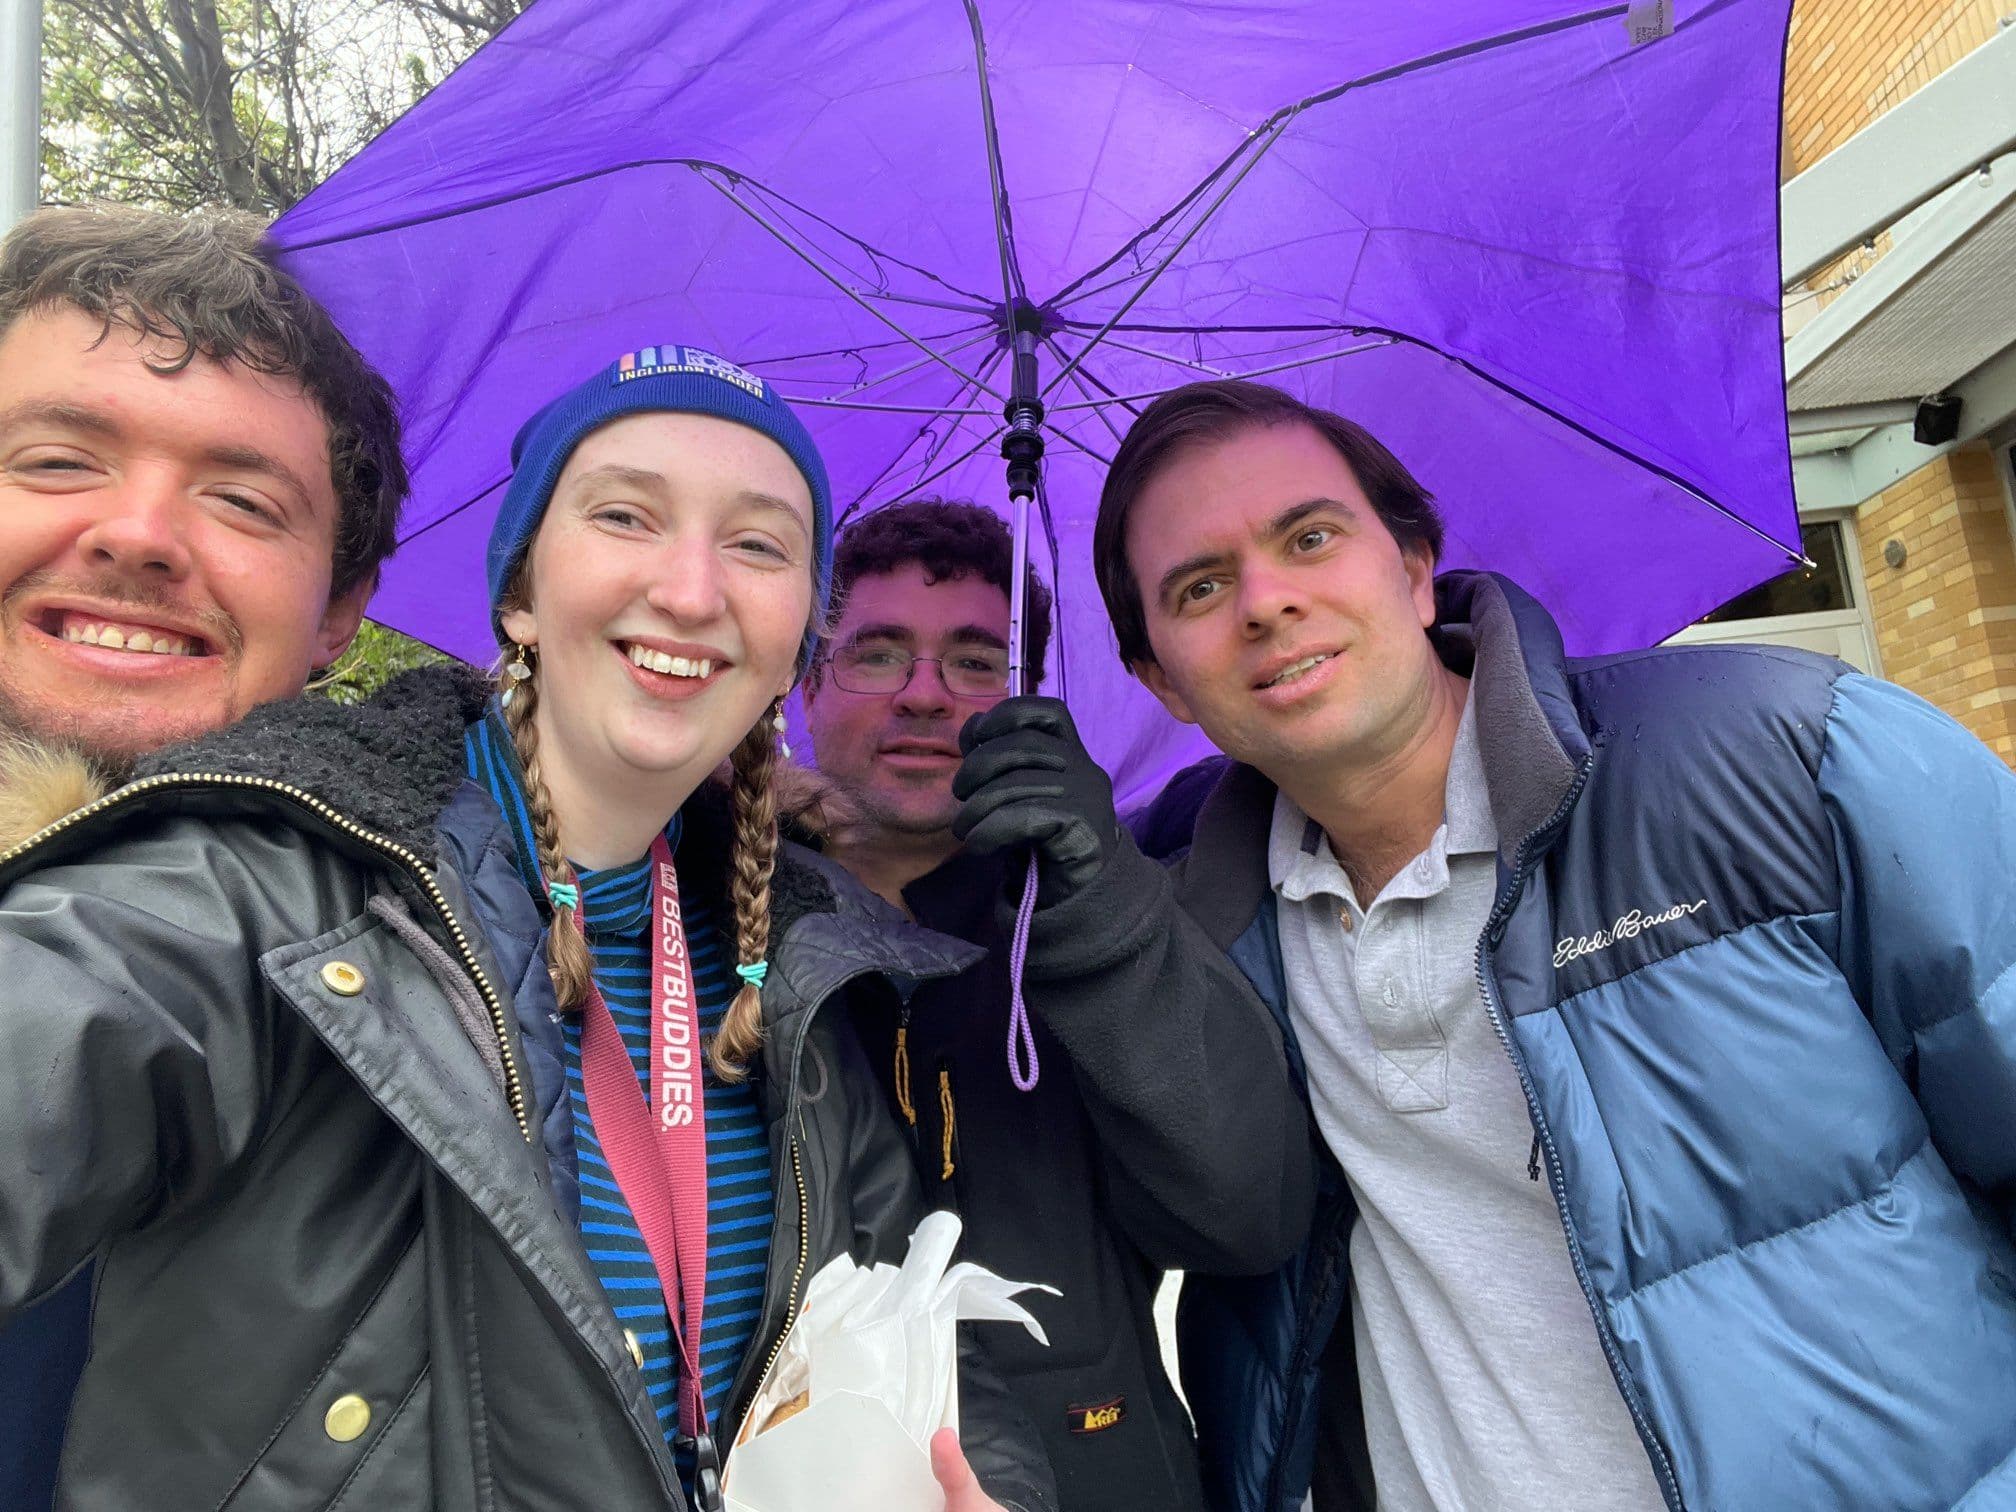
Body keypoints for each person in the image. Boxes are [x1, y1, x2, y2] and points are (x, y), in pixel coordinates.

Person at [1002, 375, 2016, 1512]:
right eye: (1198, 587)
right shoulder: (1184, 914)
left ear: (1414, 561)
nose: (1266, 601)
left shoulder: (1788, 753)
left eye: (1310, 536)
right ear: (1159, 681)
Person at [467, 350, 1052, 1511]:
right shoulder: (309, 885)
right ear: (521, 591)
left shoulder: (788, 963)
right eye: (626, 515)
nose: (691, 590)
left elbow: (904, 1325)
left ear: (788, 637)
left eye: (758, 543)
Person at [0, 202, 402, 1508]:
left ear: (341, 608)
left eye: (239, 499)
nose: (140, 535)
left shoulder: (424, 973)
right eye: (58, 462)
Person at [804, 499, 1313, 1512]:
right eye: (877, 654)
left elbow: (1245, 1222)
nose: (925, 696)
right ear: (805, 685)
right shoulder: (712, 936)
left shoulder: (1098, 917)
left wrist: (1104, 904)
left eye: (977, 662)